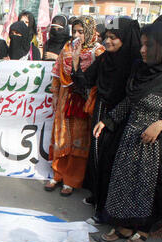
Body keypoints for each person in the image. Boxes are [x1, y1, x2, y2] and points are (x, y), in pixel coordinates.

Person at [93, 22, 162, 242]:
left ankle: (142, 228)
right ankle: (123, 225)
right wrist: (107, 120)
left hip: (157, 143)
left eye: (149, 46)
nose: (142, 50)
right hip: (131, 136)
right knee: (123, 181)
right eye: (141, 45)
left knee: (147, 186)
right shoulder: (140, 68)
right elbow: (130, 101)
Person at [70, 17, 141, 225]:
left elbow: (132, 96)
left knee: (112, 162)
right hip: (100, 114)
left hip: (122, 119)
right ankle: (99, 199)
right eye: (106, 37)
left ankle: (105, 211)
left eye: (114, 38)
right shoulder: (104, 60)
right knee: (98, 156)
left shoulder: (134, 64)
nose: (108, 42)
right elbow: (86, 81)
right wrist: (76, 63)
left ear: (125, 39)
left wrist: (113, 118)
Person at [44, 15, 105, 196]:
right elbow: (57, 72)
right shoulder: (67, 47)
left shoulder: (98, 51)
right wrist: (55, 94)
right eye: (74, 31)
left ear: (90, 32)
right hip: (65, 97)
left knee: (79, 140)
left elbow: (96, 78)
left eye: (81, 31)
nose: (77, 35)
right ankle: (57, 174)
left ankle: (71, 180)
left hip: (83, 100)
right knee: (62, 136)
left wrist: (79, 61)